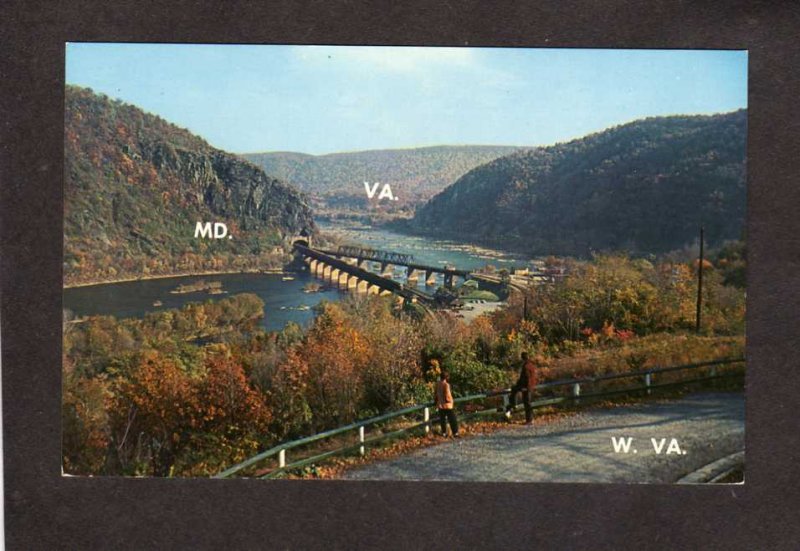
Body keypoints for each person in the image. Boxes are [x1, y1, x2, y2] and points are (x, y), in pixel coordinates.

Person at [506, 352, 538, 424]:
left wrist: (522, 386)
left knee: (526, 402)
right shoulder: (531, 365)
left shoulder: (526, 366)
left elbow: (525, 378)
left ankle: (514, 405)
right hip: (530, 386)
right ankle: (529, 419)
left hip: (526, 387)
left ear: (522, 358)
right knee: (527, 403)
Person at [435, 371, 460, 437]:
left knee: (442, 420)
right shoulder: (446, 385)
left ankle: (444, 433)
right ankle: (455, 433)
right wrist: (451, 401)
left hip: (440, 404)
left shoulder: (438, 384)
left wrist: (436, 402)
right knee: (452, 419)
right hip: (447, 405)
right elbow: (447, 395)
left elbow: (435, 394)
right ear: (446, 377)